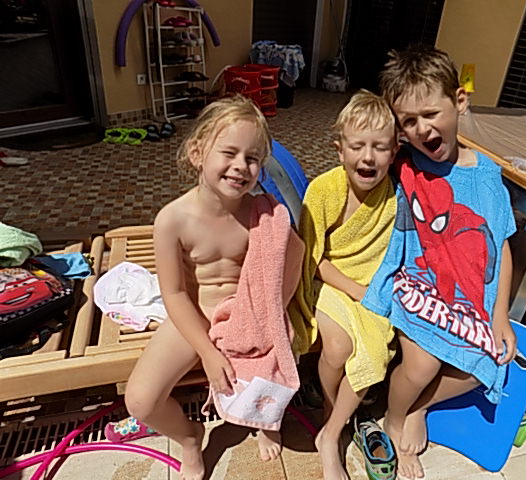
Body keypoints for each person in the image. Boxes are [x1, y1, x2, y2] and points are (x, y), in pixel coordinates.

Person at [361, 45, 518, 479]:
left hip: (465, 296)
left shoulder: (487, 177)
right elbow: (362, 146)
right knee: (422, 364)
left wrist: (501, 315)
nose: (422, 129)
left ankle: (420, 407)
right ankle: (395, 418)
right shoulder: (404, 164)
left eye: (431, 114)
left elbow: (502, 245)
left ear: (460, 101)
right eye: (408, 122)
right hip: (416, 286)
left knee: (490, 363)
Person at [124, 95, 293, 480]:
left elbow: (288, 261)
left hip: (247, 316)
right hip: (196, 316)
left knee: (281, 353)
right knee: (140, 401)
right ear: (197, 153)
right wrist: (207, 351)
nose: (241, 166)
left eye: (252, 158)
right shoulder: (173, 220)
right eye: (229, 153)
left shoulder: (262, 215)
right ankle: (189, 437)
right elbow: (174, 294)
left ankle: (264, 421)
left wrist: (274, 313)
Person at [288, 90, 398, 479]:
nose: (368, 157)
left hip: (369, 288)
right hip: (329, 283)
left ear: (394, 152)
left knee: (374, 352)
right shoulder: (324, 191)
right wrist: (355, 290)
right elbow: (311, 257)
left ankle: (331, 432)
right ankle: (331, 408)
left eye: (379, 147)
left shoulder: (393, 199)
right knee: (337, 347)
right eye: (358, 146)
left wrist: (374, 292)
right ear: (340, 150)